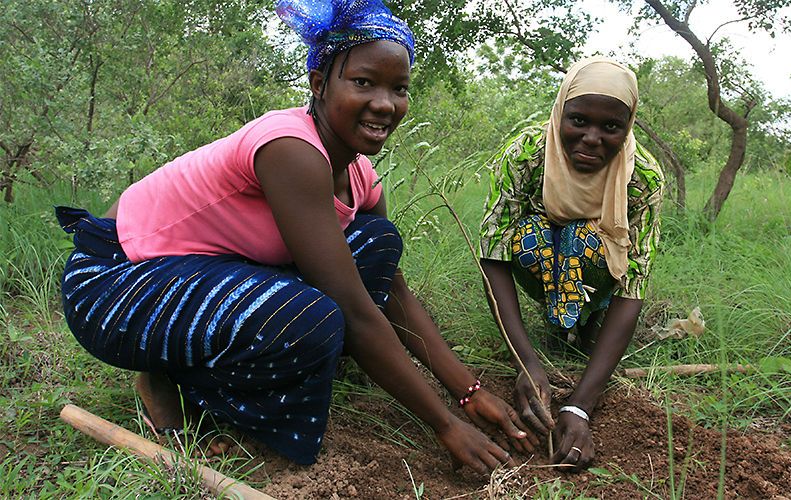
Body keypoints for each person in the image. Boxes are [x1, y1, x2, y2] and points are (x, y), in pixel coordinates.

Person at [56, 0, 536, 473]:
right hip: (116, 283)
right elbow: (351, 309)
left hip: (194, 275)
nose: (385, 103)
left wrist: (469, 392)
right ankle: (174, 382)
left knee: (377, 243)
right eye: (364, 82)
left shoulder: (361, 175)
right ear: (320, 83)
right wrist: (445, 424)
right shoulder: (290, 148)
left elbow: (391, 292)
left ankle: (205, 360)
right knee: (315, 318)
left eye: (400, 88)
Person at [478, 57, 664, 472]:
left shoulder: (643, 178)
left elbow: (634, 284)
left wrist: (580, 406)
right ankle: (561, 322)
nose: (591, 138)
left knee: (582, 237)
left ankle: (586, 319)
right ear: (560, 110)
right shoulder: (527, 154)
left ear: (628, 126)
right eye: (578, 120)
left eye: (611, 128)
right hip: (543, 262)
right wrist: (524, 360)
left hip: (599, 275)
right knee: (529, 234)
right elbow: (492, 251)